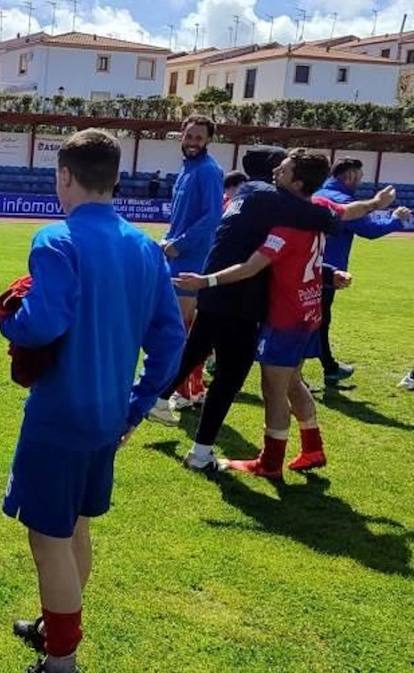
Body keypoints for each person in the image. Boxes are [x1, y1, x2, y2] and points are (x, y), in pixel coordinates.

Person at [0, 129, 186, 673]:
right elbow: (170, 339)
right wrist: (138, 404)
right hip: (108, 416)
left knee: (47, 539)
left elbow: (42, 323)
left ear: (64, 176)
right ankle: (55, 629)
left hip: (59, 414)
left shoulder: (56, 239)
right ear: (115, 179)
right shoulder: (145, 247)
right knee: (76, 526)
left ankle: (62, 659)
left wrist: (9, 317)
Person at [148, 149, 393, 472]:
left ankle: (270, 462)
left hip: (278, 313)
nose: (278, 171)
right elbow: (338, 218)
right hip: (301, 309)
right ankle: (310, 449)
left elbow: (254, 266)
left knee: (271, 387)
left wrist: (205, 281)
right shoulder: (310, 209)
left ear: (298, 182)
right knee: (285, 381)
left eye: (285, 168)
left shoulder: (276, 216)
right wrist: (372, 207)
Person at [312, 157, 411, 387]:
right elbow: (369, 229)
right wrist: (395, 220)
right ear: (350, 176)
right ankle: (310, 374)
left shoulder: (319, 193)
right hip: (328, 271)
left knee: (315, 320)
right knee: (316, 321)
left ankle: (328, 368)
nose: (360, 181)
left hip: (309, 266)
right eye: (360, 177)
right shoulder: (343, 201)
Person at [161, 115, 223, 410]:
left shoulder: (208, 171)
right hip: (178, 256)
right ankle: (193, 389)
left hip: (193, 259)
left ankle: (185, 391)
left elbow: (212, 217)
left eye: (199, 138)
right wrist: (168, 239)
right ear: (182, 135)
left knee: (182, 328)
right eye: (189, 136)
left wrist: (180, 243)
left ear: (209, 140)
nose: (193, 142)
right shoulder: (187, 168)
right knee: (184, 327)